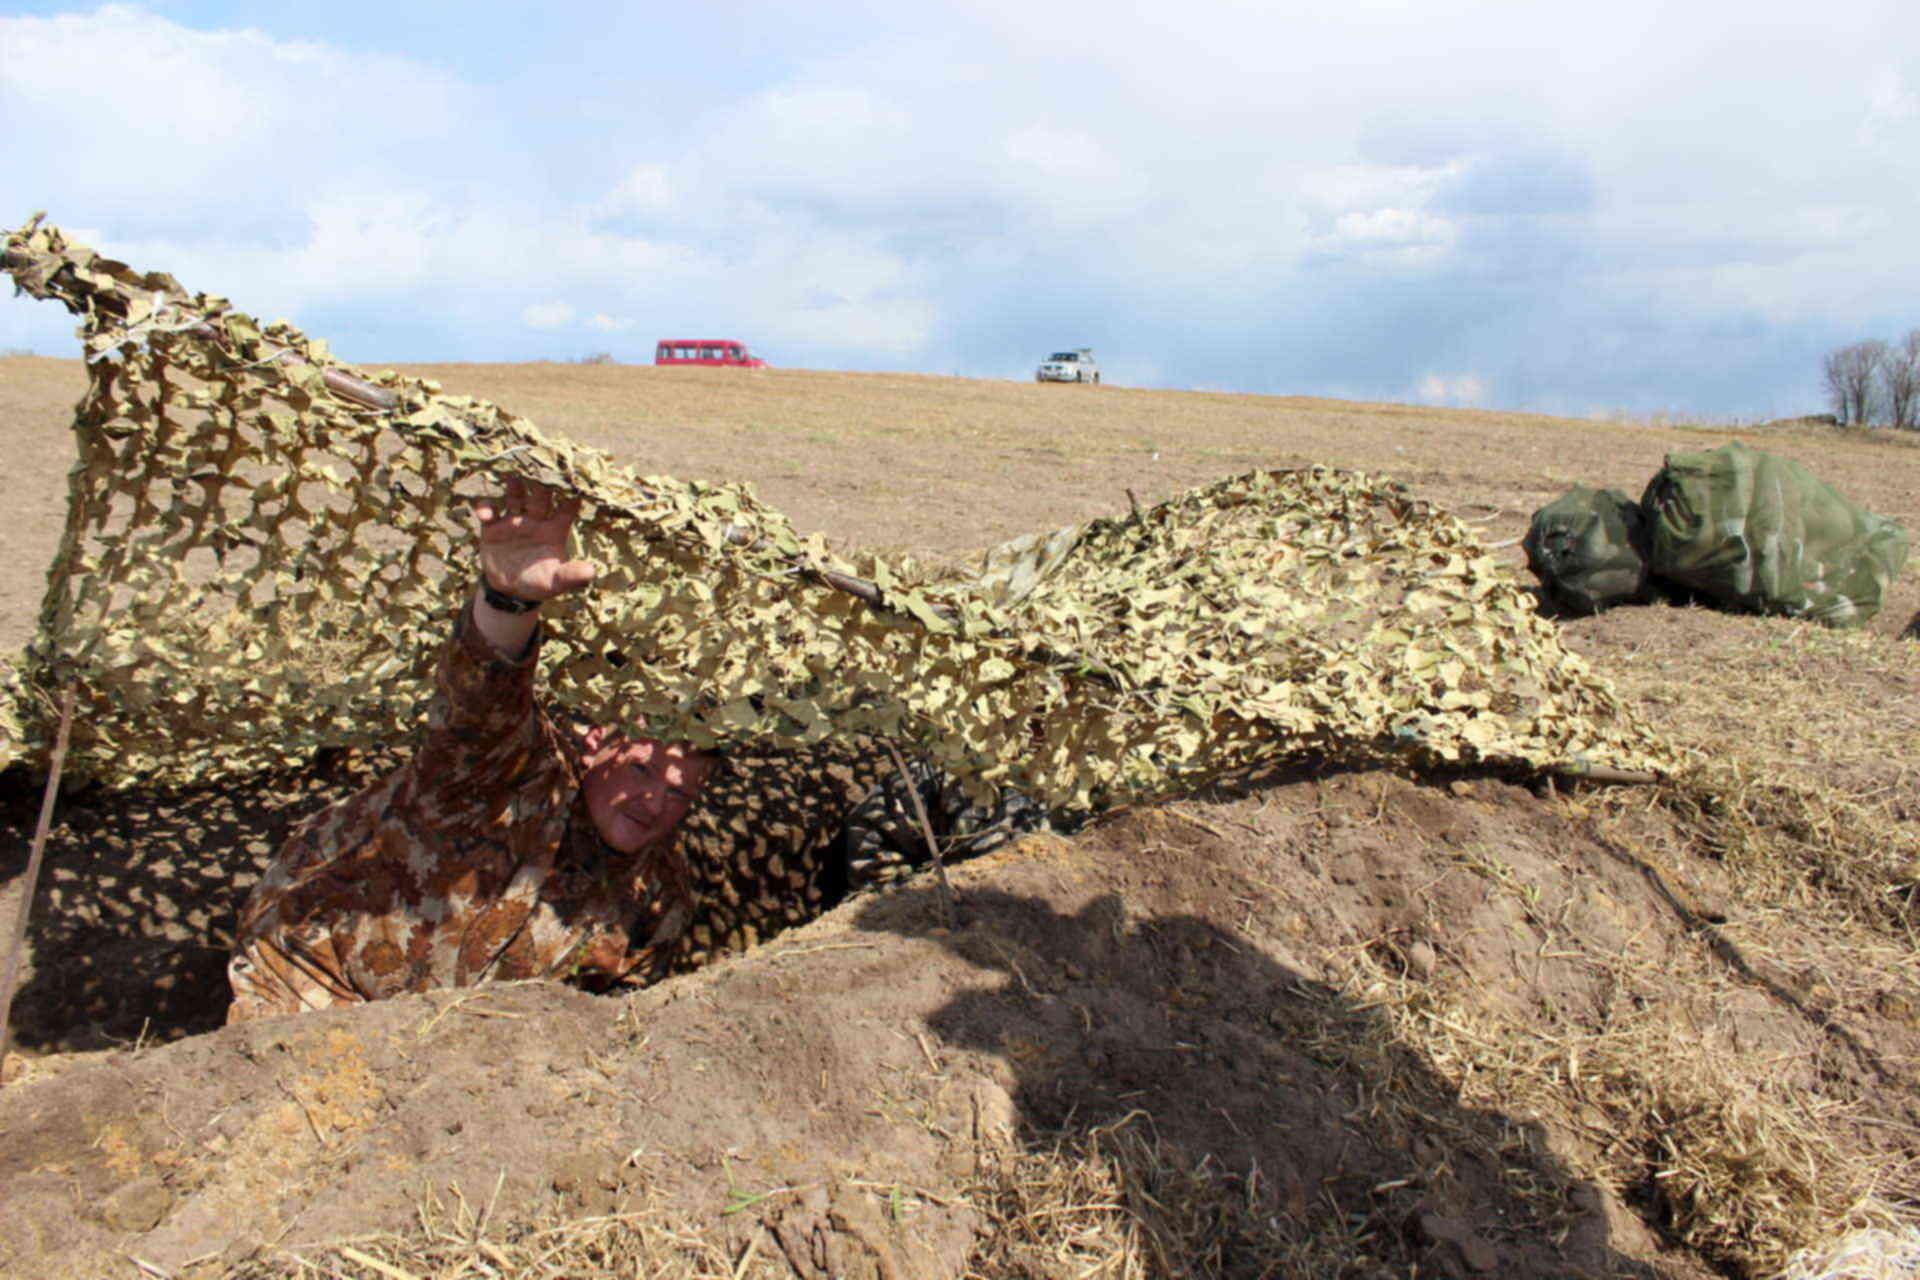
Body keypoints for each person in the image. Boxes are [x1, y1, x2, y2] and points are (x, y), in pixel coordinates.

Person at [226, 478, 714, 1021]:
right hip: (316, 967)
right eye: (643, 770)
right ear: (596, 743)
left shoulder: (658, 894)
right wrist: (510, 599)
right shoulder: (513, 771)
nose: (654, 802)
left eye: (680, 794)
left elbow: (622, 1017)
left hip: (449, 1040)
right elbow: (480, 702)